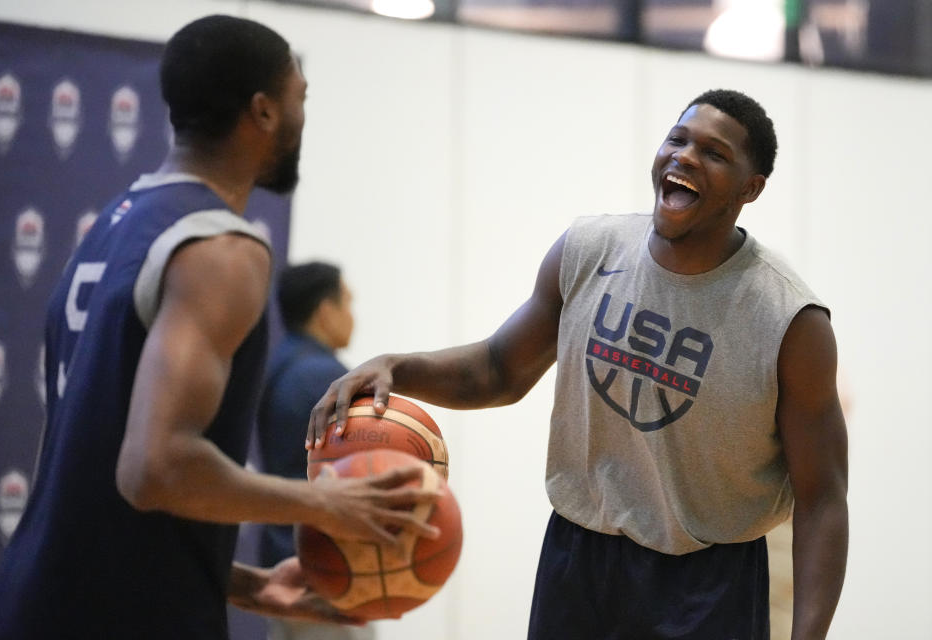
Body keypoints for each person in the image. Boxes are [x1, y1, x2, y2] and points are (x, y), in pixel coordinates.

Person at [308, 89, 849, 639]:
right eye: (678, 138)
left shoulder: (790, 320)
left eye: (714, 153)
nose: (684, 156)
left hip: (709, 581)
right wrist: (396, 368)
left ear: (750, 188)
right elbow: (499, 369)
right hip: (579, 557)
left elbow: (823, 498)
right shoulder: (590, 249)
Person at [0, 15, 438, 640]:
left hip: (40, 599)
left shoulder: (113, 226)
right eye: (299, 98)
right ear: (264, 111)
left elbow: (100, 483)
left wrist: (247, 584)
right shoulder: (222, 248)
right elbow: (155, 468)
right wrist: (329, 502)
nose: (305, 118)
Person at [258, 261, 373, 640]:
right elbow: (367, 470)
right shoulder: (327, 379)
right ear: (326, 311)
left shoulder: (277, 363)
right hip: (327, 568)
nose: (353, 317)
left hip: (282, 556)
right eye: (348, 304)